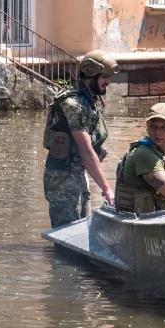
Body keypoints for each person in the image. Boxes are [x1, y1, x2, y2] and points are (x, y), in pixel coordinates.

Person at [42, 50, 117, 227]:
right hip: (62, 180)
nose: (108, 82)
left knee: (83, 232)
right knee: (67, 235)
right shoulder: (73, 105)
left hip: (77, 174)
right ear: (91, 74)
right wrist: (106, 189)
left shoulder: (88, 101)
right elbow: (86, 151)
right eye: (104, 76)